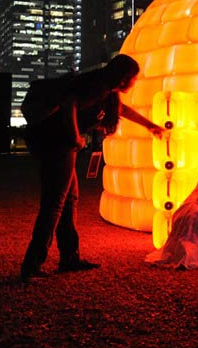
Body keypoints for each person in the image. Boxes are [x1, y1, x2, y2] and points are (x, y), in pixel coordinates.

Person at [21, 54, 164, 282]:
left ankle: (69, 257)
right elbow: (70, 104)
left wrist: (150, 126)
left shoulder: (106, 90)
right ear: (124, 78)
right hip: (56, 143)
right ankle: (32, 265)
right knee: (55, 203)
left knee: (69, 200)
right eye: (134, 79)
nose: (135, 83)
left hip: (58, 143)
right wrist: (76, 137)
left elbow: (122, 111)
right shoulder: (98, 87)